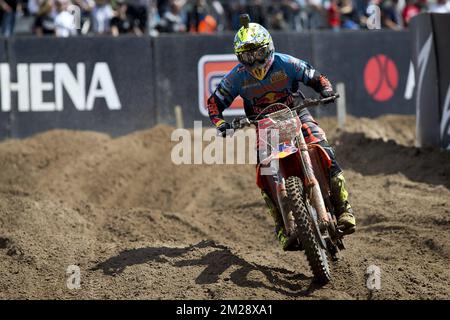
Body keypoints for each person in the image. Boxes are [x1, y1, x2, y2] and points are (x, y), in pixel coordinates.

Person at [206, 17, 356, 250]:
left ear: (269, 48)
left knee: (324, 147)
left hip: (297, 113)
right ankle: (281, 225)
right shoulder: (236, 77)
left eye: (258, 53)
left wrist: (326, 90)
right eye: (247, 56)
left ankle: (344, 209)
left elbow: (317, 77)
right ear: (239, 57)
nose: (254, 60)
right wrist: (220, 124)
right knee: (263, 172)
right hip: (264, 124)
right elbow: (215, 103)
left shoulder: (286, 63)